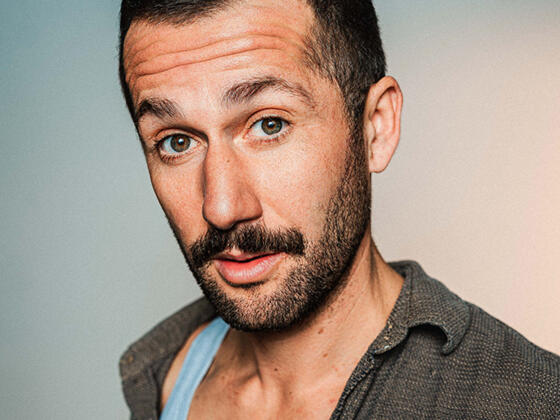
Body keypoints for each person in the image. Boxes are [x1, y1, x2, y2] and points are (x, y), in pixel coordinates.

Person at [117, 0, 560, 418]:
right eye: (177, 142)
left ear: (375, 127)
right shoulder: (167, 375)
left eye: (270, 125)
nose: (222, 208)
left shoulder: (527, 402)